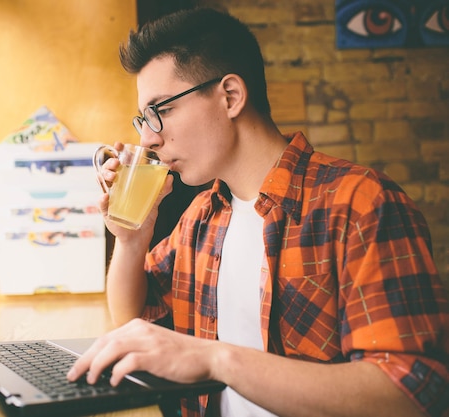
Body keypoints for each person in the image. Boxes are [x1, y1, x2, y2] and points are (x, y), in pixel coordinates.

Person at [67, 7, 449, 417]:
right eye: (143, 118)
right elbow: (131, 320)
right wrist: (130, 238)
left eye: (162, 110)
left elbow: (410, 394)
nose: (148, 138)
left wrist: (217, 359)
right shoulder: (204, 216)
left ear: (230, 96)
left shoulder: (361, 203)